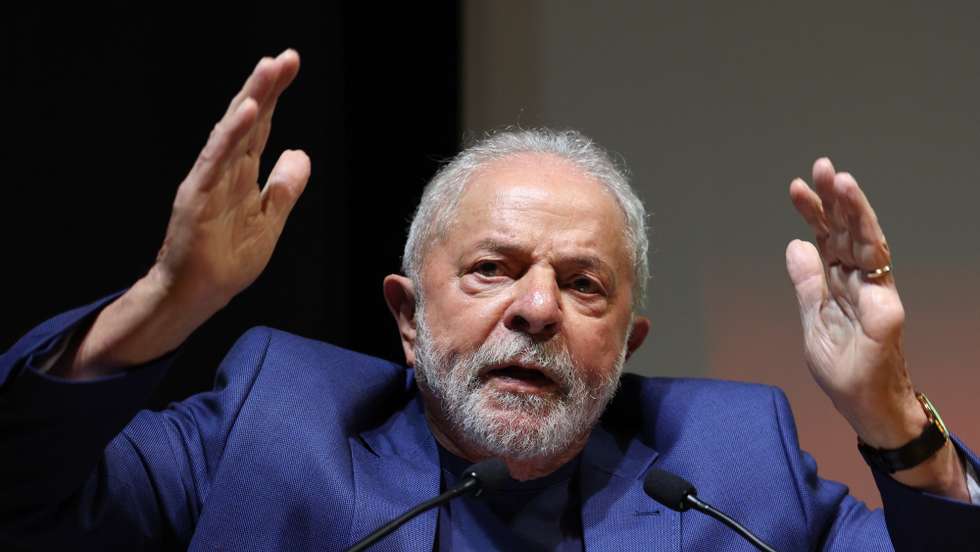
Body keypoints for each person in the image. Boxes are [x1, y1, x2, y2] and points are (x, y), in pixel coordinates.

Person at [1, 50, 978, 551]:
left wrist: (890, 415)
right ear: (404, 318)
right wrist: (165, 304)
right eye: (490, 269)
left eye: (582, 283)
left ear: (626, 341)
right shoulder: (266, 424)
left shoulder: (728, 466)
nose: (537, 309)